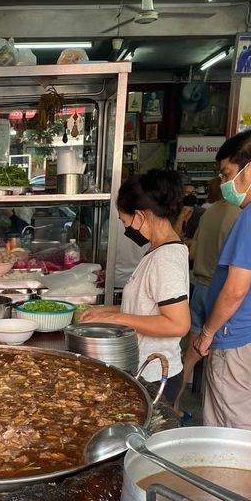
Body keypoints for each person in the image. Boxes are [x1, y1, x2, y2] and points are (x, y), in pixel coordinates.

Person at [80, 170, 190, 404]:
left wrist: (118, 320)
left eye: (124, 220)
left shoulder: (166, 259)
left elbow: (178, 324)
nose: (124, 227)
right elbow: (146, 307)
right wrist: (105, 312)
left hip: (155, 374)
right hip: (144, 369)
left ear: (140, 216)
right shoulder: (156, 251)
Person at [193, 129, 251, 431]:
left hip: (237, 340)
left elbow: (235, 289)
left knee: (230, 431)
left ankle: (226, 480)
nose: (223, 184)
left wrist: (207, 333)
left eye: (227, 174)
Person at [172, 177, 240, 418]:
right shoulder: (241, 216)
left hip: (199, 288)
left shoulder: (208, 214)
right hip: (219, 293)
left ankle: (174, 406)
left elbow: (192, 250)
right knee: (219, 362)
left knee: (190, 355)